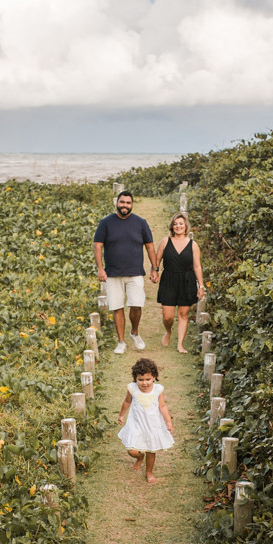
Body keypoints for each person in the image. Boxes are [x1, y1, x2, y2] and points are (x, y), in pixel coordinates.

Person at [94, 190, 157, 354]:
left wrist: (154, 268)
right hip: (112, 274)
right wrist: (101, 269)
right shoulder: (106, 222)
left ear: (132, 204)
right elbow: (98, 245)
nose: (125, 206)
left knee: (136, 305)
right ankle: (121, 341)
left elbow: (149, 246)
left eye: (128, 203)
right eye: (122, 202)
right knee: (117, 307)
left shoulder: (140, 223)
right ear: (117, 202)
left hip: (135, 272)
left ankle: (134, 333)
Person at [116, 357, 175, 483]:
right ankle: (139, 457)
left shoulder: (158, 390)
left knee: (151, 450)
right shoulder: (133, 389)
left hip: (152, 425)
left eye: (148, 379)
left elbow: (163, 406)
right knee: (131, 450)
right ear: (135, 379)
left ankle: (149, 472)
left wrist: (168, 422)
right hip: (136, 424)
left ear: (154, 377)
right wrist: (121, 415)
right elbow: (127, 402)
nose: (144, 383)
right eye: (140, 380)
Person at [155, 212, 205, 354]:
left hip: (187, 281)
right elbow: (157, 261)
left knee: (183, 314)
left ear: (185, 226)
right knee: (168, 316)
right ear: (172, 226)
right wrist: (155, 271)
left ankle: (180, 344)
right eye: (175, 224)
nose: (178, 226)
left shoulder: (193, 245)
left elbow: (197, 266)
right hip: (169, 279)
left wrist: (201, 286)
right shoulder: (165, 241)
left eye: (181, 224)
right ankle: (168, 331)